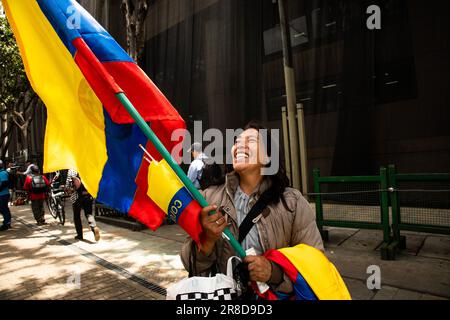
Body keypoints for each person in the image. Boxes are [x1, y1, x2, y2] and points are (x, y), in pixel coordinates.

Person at [180, 121, 324, 298]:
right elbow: (190, 264)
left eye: (251, 140)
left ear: (267, 157)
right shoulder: (208, 199)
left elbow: (316, 264)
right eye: (237, 142)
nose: (240, 145)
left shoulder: (292, 203)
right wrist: (207, 241)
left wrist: (274, 272)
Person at [66, 169, 100, 241]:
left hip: (77, 197)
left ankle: (80, 235)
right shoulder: (85, 166)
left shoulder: (72, 170)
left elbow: (68, 185)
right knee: (89, 214)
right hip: (87, 194)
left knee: (77, 216)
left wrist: (68, 190)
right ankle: (94, 228)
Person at [0, 160, 12, 231]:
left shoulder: (2, 173)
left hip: (3, 194)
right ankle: (7, 222)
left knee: (4, 209)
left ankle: (7, 223)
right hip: (2, 194)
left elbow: (4, 183)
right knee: (3, 209)